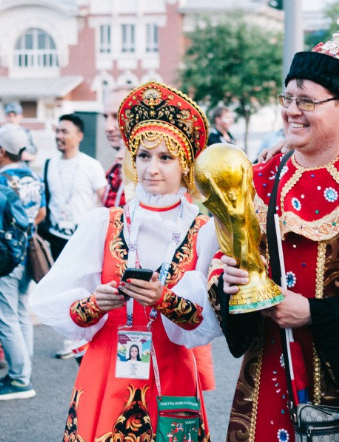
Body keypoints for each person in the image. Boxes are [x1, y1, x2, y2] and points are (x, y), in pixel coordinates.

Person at [210, 16, 339, 442]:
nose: (291, 110)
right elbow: (220, 259)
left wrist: (315, 313)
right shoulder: (258, 178)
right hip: (262, 380)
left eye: (306, 100)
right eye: (288, 96)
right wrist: (230, 282)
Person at [29, 81, 221, 441]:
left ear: (186, 164)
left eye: (166, 158)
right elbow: (54, 300)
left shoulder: (203, 231)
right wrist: (95, 303)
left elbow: (208, 321)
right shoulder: (104, 223)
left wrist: (163, 299)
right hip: (106, 367)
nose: (152, 168)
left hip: (170, 369)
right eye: (144, 156)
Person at [0, 124, 45, 400]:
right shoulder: (35, 178)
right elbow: (41, 212)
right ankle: (23, 366)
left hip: (7, 255)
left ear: (2, 151)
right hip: (29, 250)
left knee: (5, 316)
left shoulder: (2, 182)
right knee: (20, 311)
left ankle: (19, 379)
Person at [40, 114, 107, 260]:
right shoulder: (49, 164)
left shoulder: (91, 165)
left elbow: (104, 200)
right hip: (55, 237)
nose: (58, 136)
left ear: (79, 136)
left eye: (64, 132)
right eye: (57, 131)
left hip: (82, 238)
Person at [101, 86, 134, 208]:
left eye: (117, 117)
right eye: (105, 117)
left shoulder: (154, 174)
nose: (108, 127)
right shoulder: (112, 171)